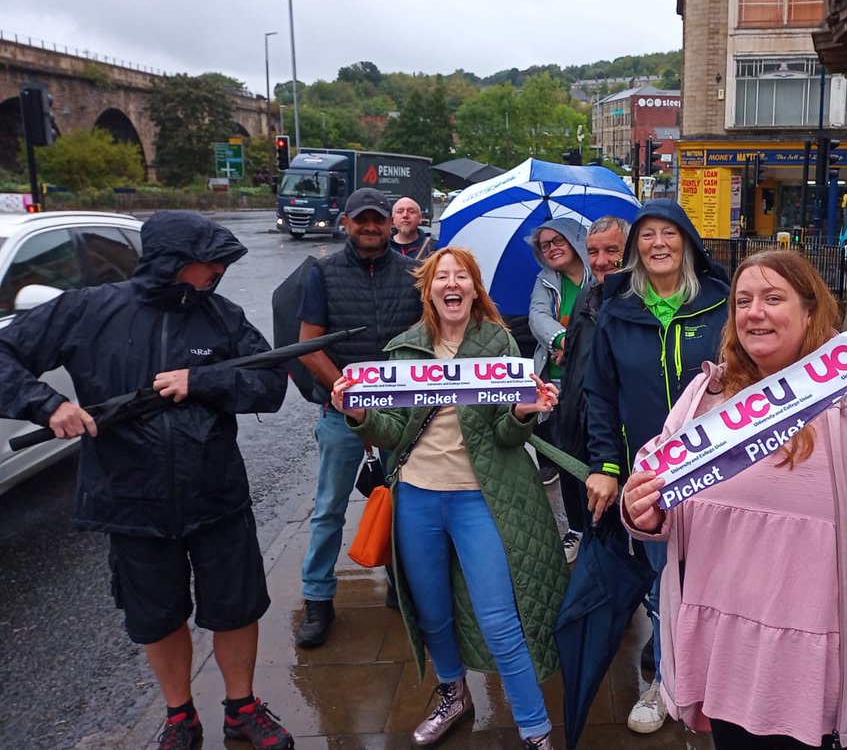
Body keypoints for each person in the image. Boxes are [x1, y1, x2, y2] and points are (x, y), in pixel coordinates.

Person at [621, 250, 847, 750]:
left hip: (833, 666)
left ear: (810, 312)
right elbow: (654, 483)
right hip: (731, 659)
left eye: (774, 298)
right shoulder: (706, 395)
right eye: (743, 300)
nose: (755, 312)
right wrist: (641, 508)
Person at [0, 211, 293, 750]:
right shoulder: (86, 310)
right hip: (130, 500)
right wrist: (47, 404)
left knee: (237, 604)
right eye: (211, 261)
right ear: (177, 262)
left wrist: (202, 380)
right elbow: (5, 354)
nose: (220, 271)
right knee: (156, 615)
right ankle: (180, 715)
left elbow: (270, 383)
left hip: (216, 496)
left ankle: (241, 706)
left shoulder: (222, 318)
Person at [330, 247, 564, 750]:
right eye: (442, 277)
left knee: (500, 620)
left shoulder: (499, 345)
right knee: (432, 611)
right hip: (416, 497)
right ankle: (453, 694)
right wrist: (356, 414)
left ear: (475, 289)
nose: (452, 284)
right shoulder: (405, 349)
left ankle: (535, 729)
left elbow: (507, 435)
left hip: (480, 499)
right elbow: (392, 431)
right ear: (429, 289)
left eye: (463, 276)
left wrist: (524, 413)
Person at [582, 198, 728, 734]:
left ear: (687, 240)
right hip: (651, 480)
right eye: (647, 236)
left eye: (669, 233)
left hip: (723, 471)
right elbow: (601, 394)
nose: (658, 244)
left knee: (720, 582)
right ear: (635, 249)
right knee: (664, 582)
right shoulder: (617, 311)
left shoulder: (722, 303)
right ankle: (667, 680)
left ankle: (721, 677)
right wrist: (605, 464)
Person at [295, 187, 423, 647]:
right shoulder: (322, 274)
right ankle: (317, 597)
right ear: (345, 223)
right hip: (341, 414)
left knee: (402, 504)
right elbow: (310, 343)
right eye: (360, 220)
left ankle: (398, 582)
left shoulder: (413, 273)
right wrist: (345, 394)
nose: (370, 227)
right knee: (328, 509)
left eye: (378, 220)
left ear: (391, 225)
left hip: (400, 417)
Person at [554, 216, 629, 560]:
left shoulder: (636, 303)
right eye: (593, 251)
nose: (600, 260)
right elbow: (574, 365)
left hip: (618, 442)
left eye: (612, 250)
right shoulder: (589, 294)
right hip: (578, 429)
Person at [527, 217, 594, 559]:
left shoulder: (598, 276)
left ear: (574, 241)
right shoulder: (545, 281)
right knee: (566, 459)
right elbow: (537, 318)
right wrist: (561, 338)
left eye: (558, 241)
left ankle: (599, 528)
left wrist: (578, 342)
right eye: (544, 244)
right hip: (555, 382)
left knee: (594, 458)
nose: (551, 248)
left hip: (591, 382)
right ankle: (577, 529)